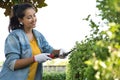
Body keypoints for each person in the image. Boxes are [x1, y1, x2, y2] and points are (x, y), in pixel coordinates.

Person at [0, 3, 66, 80]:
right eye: (29, 17)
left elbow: (49, 51)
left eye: (34, 15)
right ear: (20, 20)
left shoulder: (38, 36)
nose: (34, 19)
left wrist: (59, 52)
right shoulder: (14, 37)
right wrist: (34, 59)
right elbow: (12, 64)